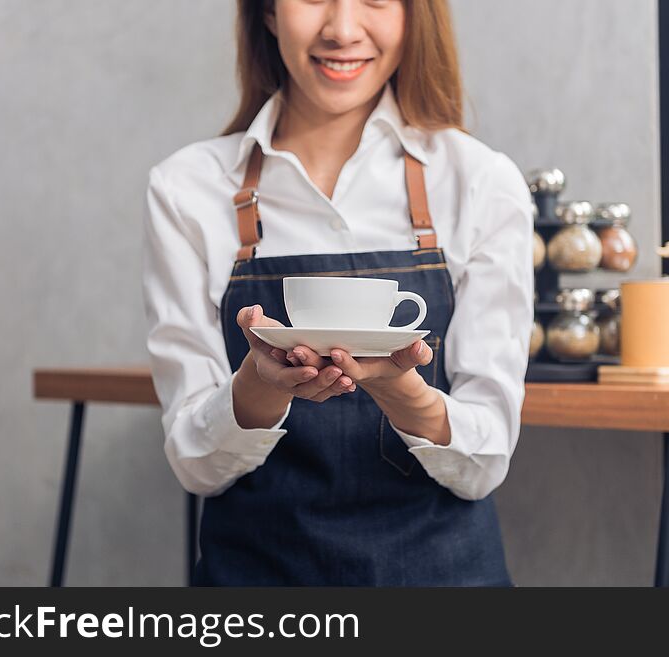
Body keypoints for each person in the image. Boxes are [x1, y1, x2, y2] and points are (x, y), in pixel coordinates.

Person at [142, 0, 534, 586]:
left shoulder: (479, 182)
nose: (343, 29)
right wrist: (256, 386)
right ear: (268, 14)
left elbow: (484, 461)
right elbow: (196, 465)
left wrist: (405, 392)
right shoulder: (187, 190)